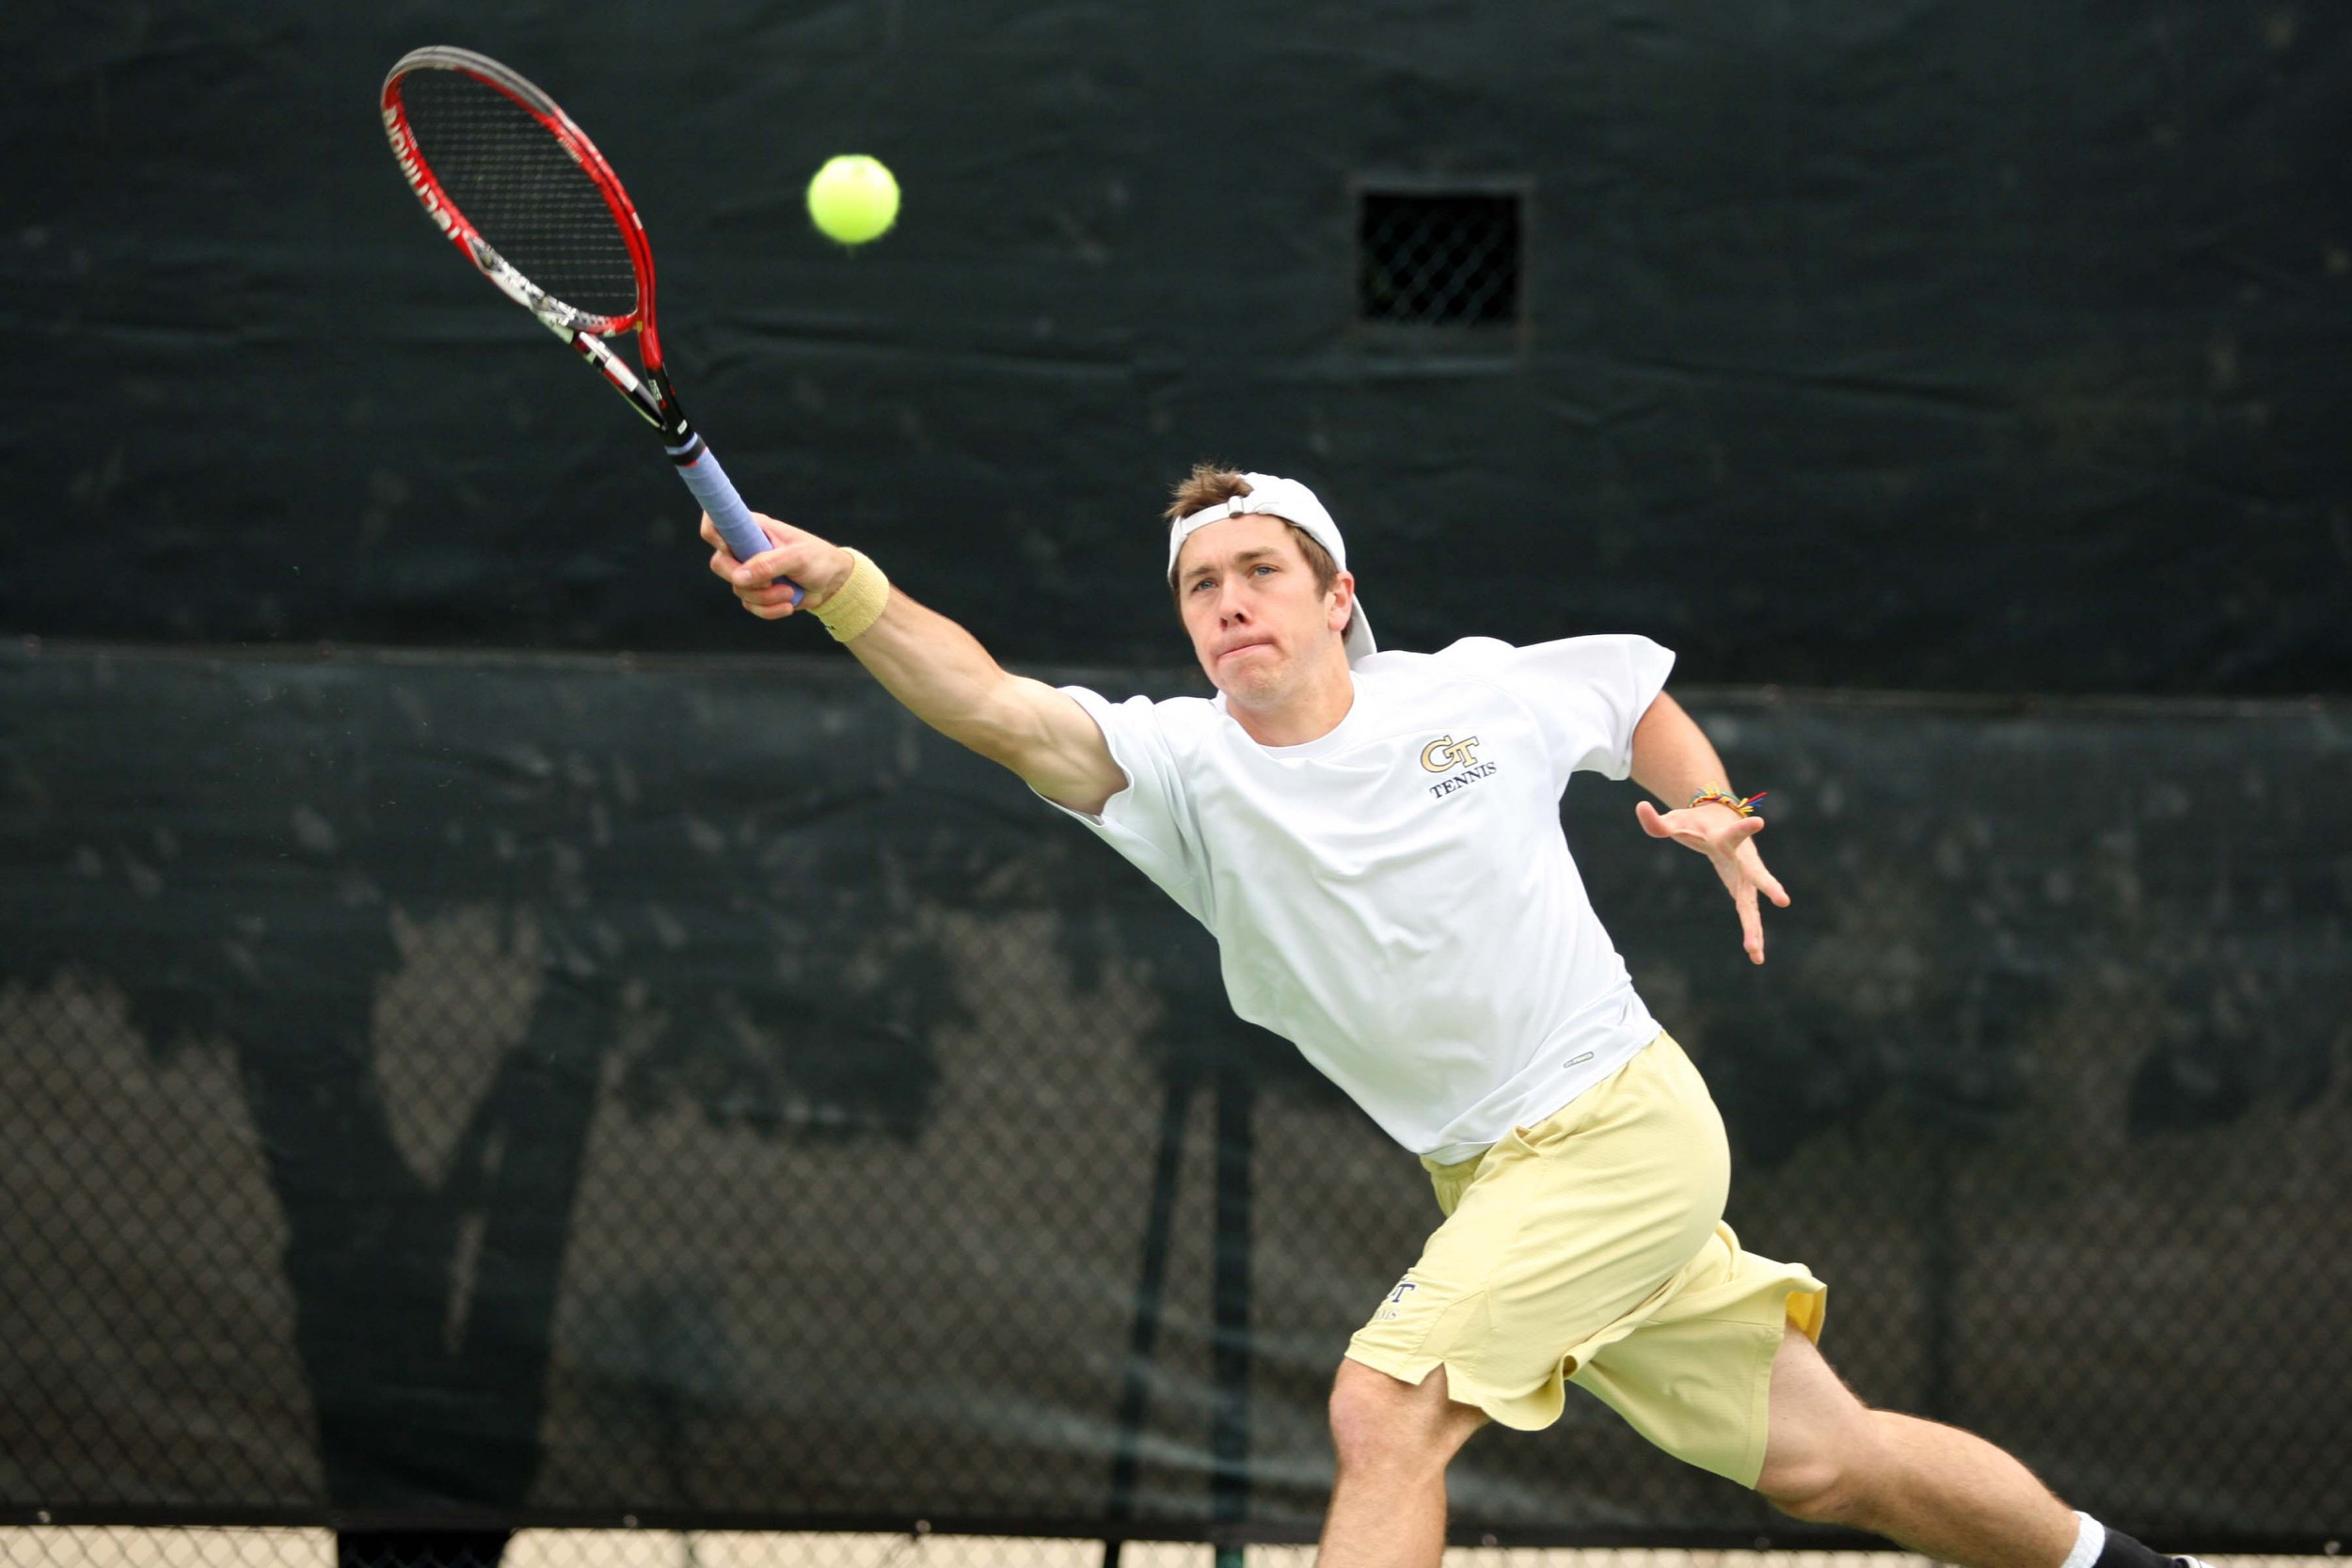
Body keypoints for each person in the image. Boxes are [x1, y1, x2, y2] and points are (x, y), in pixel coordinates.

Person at [701, 467, 2205, 1568]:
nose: (1228, 601)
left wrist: (1714, 813)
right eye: (1199, 586)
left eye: (1261, 571)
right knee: (1830, 1462)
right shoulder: (1171, 772)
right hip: (1490, 1168)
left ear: (1338, 596)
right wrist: (845, 588)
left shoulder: (1467, 698)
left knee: (1386, 1408)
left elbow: (1634, 703)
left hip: (1614, 1121)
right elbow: (984, 700)